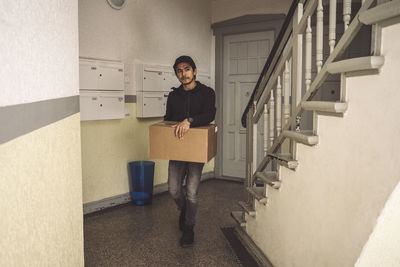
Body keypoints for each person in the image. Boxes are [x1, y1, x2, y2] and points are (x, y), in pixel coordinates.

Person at [164, 55, 216, 247]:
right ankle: (186, 212)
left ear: (194, 71)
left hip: (196, 150)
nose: (183, 73)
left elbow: (209, 115)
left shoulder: (207, 93)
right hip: (177, 148)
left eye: (187, 69)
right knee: (174, 190)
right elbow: (168, 118)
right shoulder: (173, 96)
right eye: (179, 70)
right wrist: (169, 126)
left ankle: (189, 227)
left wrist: (190, 121)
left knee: (192, 192)